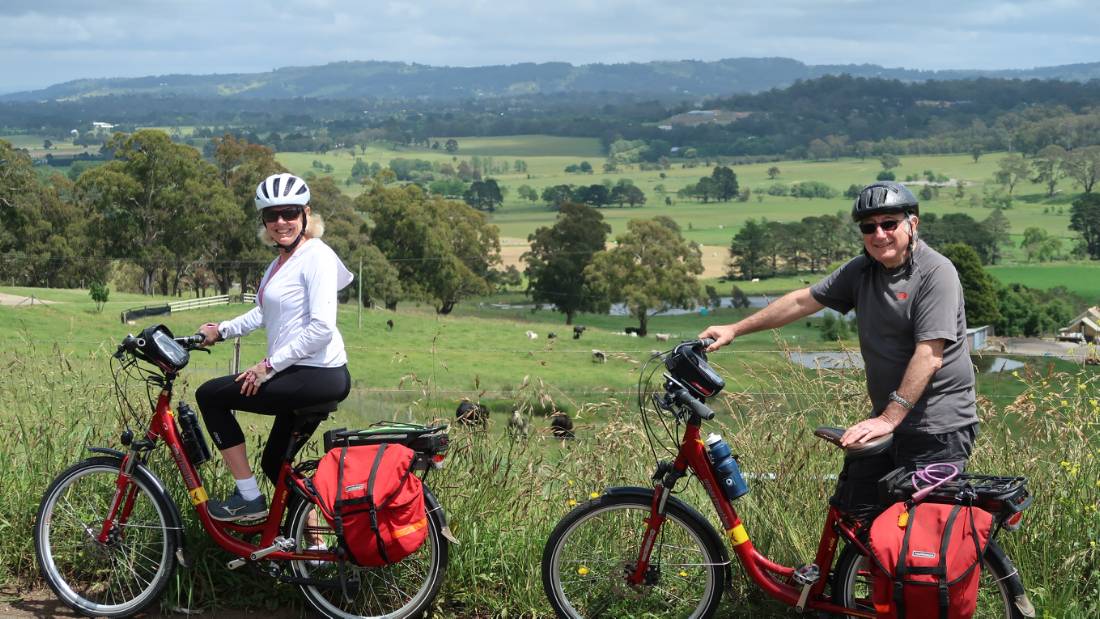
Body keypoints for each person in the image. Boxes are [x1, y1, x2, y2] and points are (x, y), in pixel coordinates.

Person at [698, 181, 978, 474]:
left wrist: (888, 419)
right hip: (886, 422)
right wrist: (734, 329)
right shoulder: (861, 270)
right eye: (869, 228)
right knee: (853, 513)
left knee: (920, 520)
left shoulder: (936, 272)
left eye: (889, 224)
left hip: (937, 429)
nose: (879, 234)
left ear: (912, 223)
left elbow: (929, 355)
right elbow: (802, 301)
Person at [196, 172, 354, 521]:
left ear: (305, 215)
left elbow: (321, 329)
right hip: (301, 371)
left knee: (210, 396)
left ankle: (248, 498)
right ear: (264, 222)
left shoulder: (317, 257)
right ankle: (312, 541)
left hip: (319, 374)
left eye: (289, 213)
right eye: (272, 215)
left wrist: (267, 367)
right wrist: (220, 330)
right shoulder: (278, 264)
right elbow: (263, 312)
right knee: (275, 464)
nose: (281, 222)